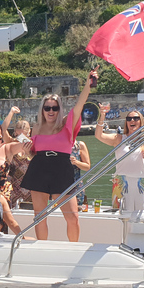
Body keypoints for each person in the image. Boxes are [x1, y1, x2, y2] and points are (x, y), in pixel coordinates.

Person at [20, 68, 96, 241]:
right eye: (47, 107)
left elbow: (80, 104)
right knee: (40, 216)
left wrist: (88, 84)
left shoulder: (67, 124)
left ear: (59, 109)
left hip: (62, 169)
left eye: (54, 107)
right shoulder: (37, 128)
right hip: (39, 168)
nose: (51, 111)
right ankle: (42, 249)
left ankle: (73, 249)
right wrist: (27, 151)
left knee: (72, 217)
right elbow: (33, 155)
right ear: (42, 109)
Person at [95, 105, 144, 222]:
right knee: (121, 219)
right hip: (122, 183)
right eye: (129, 119)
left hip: (142, 184)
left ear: (141, 121)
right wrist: (102, 115)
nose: (132, 121)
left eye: (136, 118)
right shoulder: (118, 139)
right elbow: (99, 135)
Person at [1, 106, 33, 207]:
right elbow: (3, 129)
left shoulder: (33, 144)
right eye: (18, 135)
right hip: (15, 186)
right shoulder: (12, 143)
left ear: (29, 133)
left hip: (31, 186)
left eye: (23, 135)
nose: (21, 138)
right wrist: (11, 112)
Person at [70, 138, 91, 206]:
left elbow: (87, 167)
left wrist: (76, 162)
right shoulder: (56, 144)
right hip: (58, 184)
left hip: (76, 184)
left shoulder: (79, 145)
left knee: (76, 210)